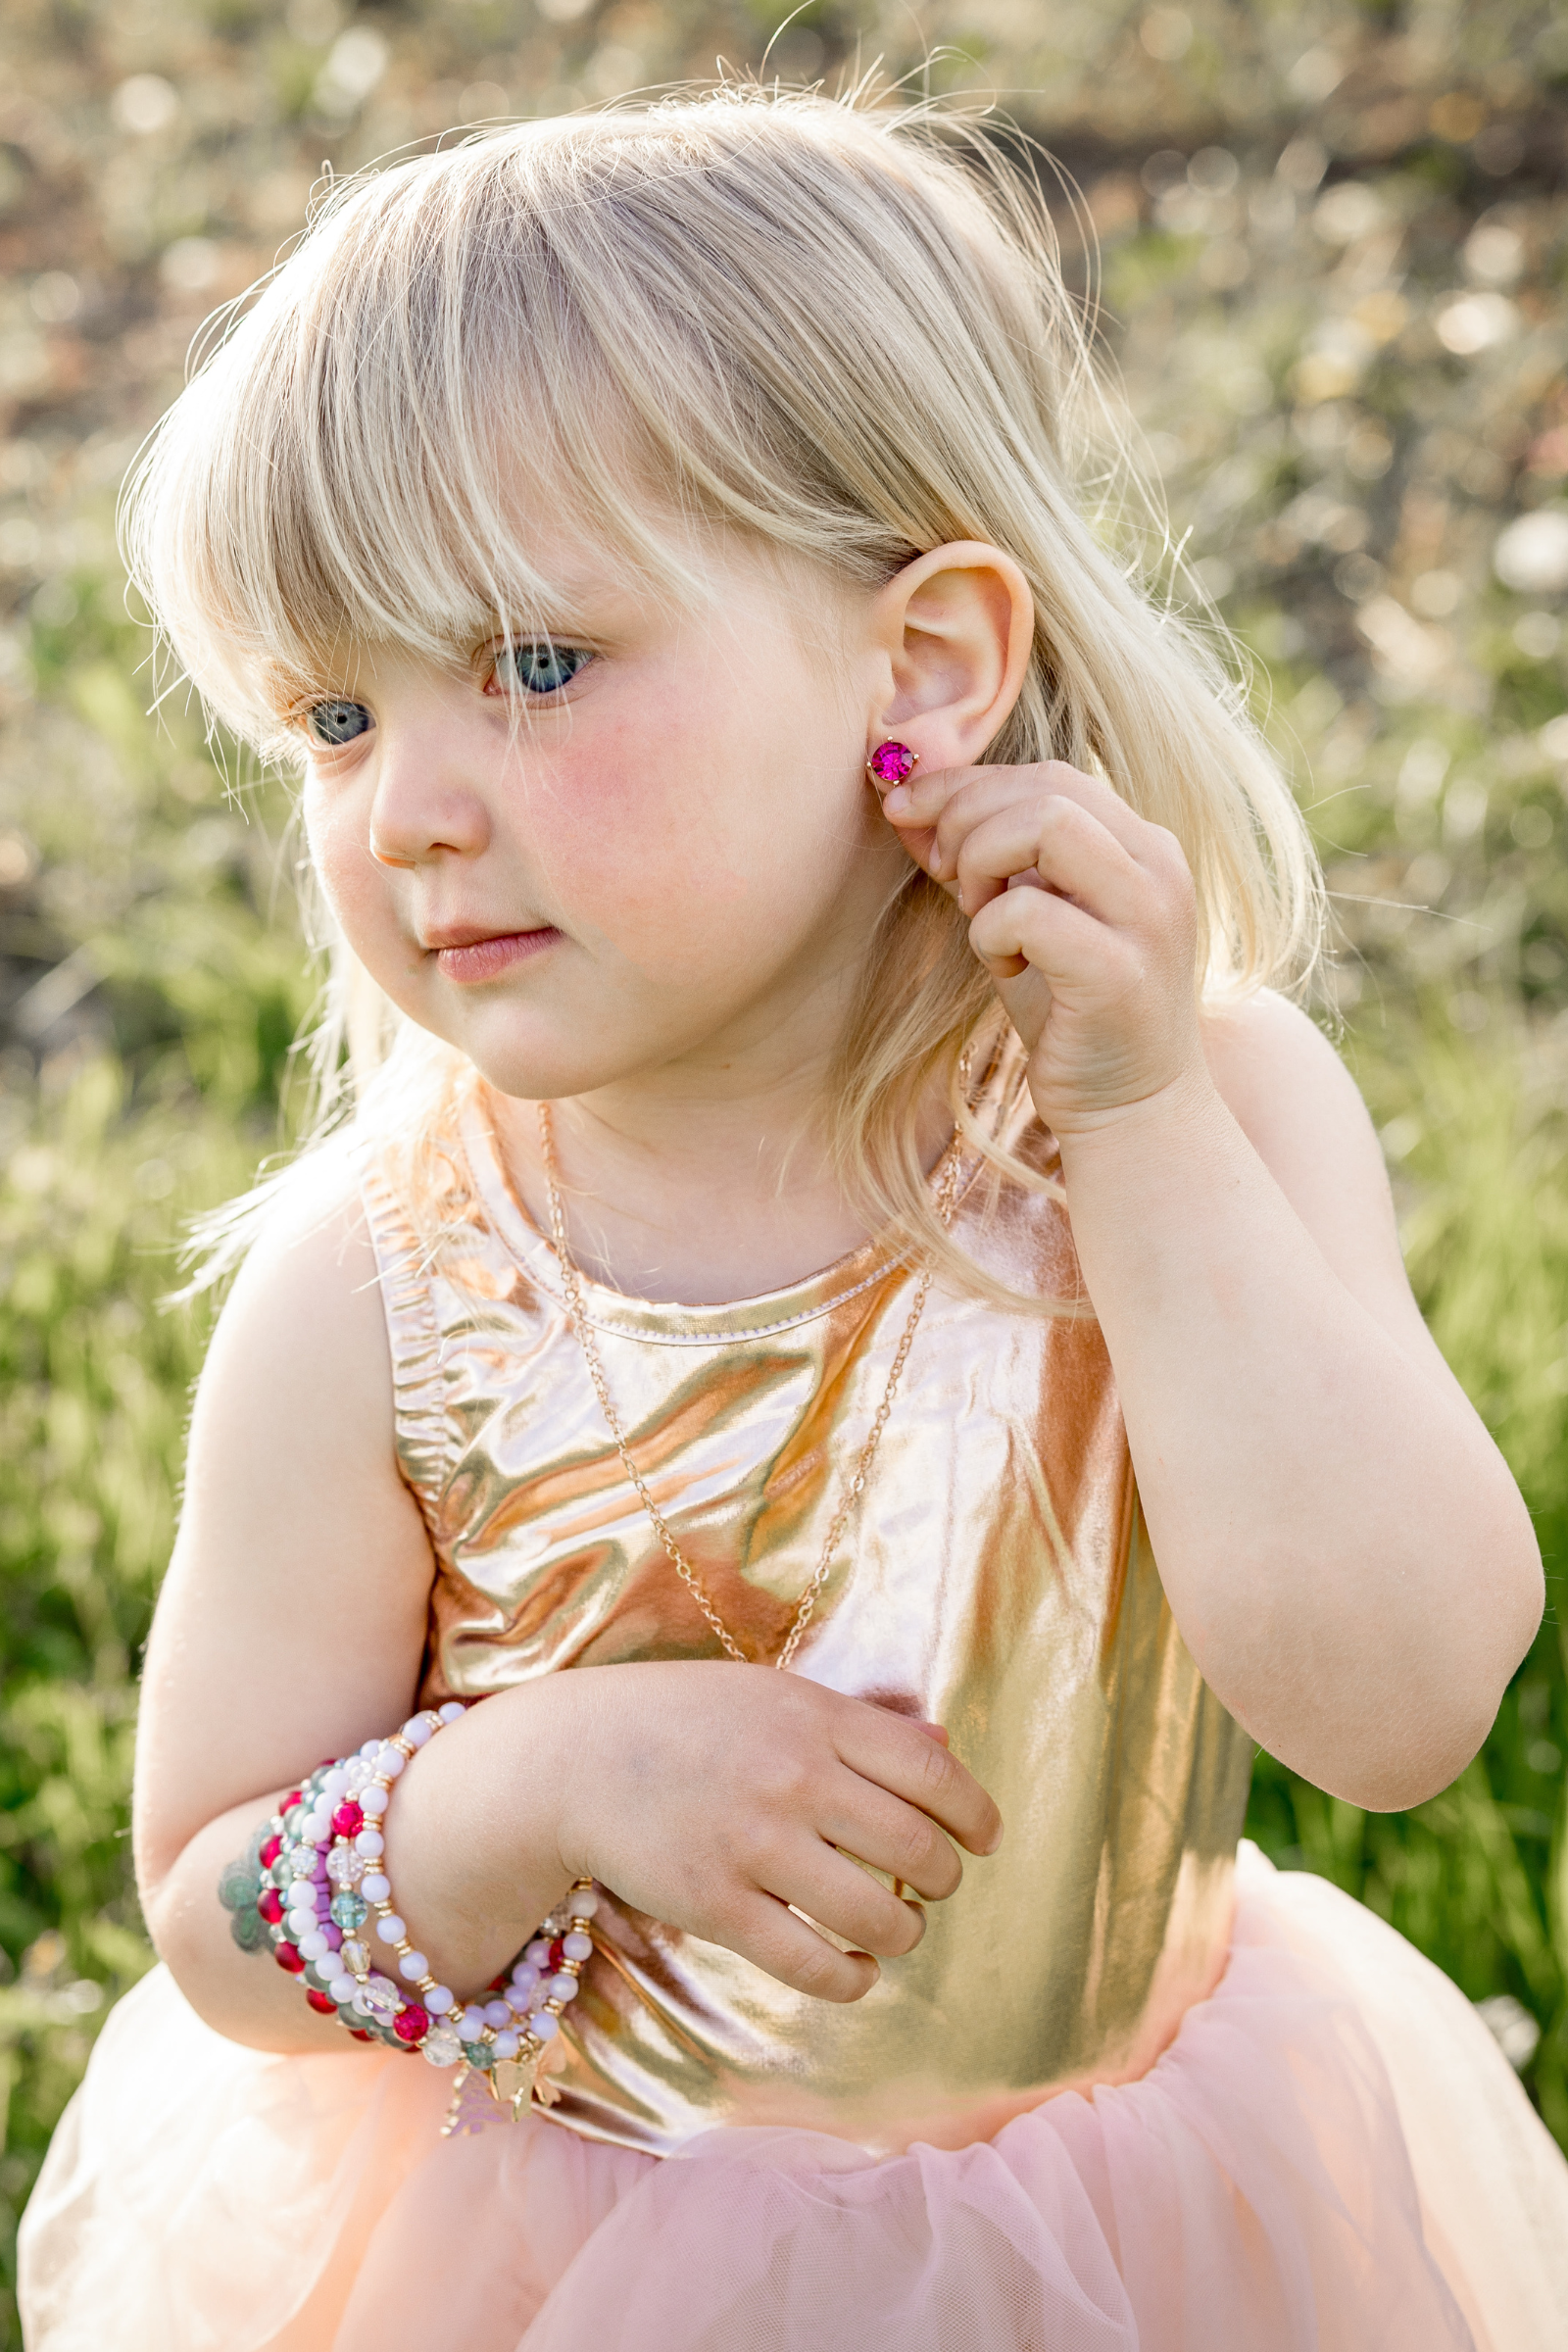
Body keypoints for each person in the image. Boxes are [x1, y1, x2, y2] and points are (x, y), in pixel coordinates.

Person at [18, 87, 1568, 2352]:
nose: (413, 812)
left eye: (533, 666)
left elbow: (1406, 1705)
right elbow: (215, 1919)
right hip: (536, 2258)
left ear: (915, 668)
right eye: (337, 715)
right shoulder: (374, 1284)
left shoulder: (1190, 1118)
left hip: (1125, 2243)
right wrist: (531, 1784)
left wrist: (1131, 1123)